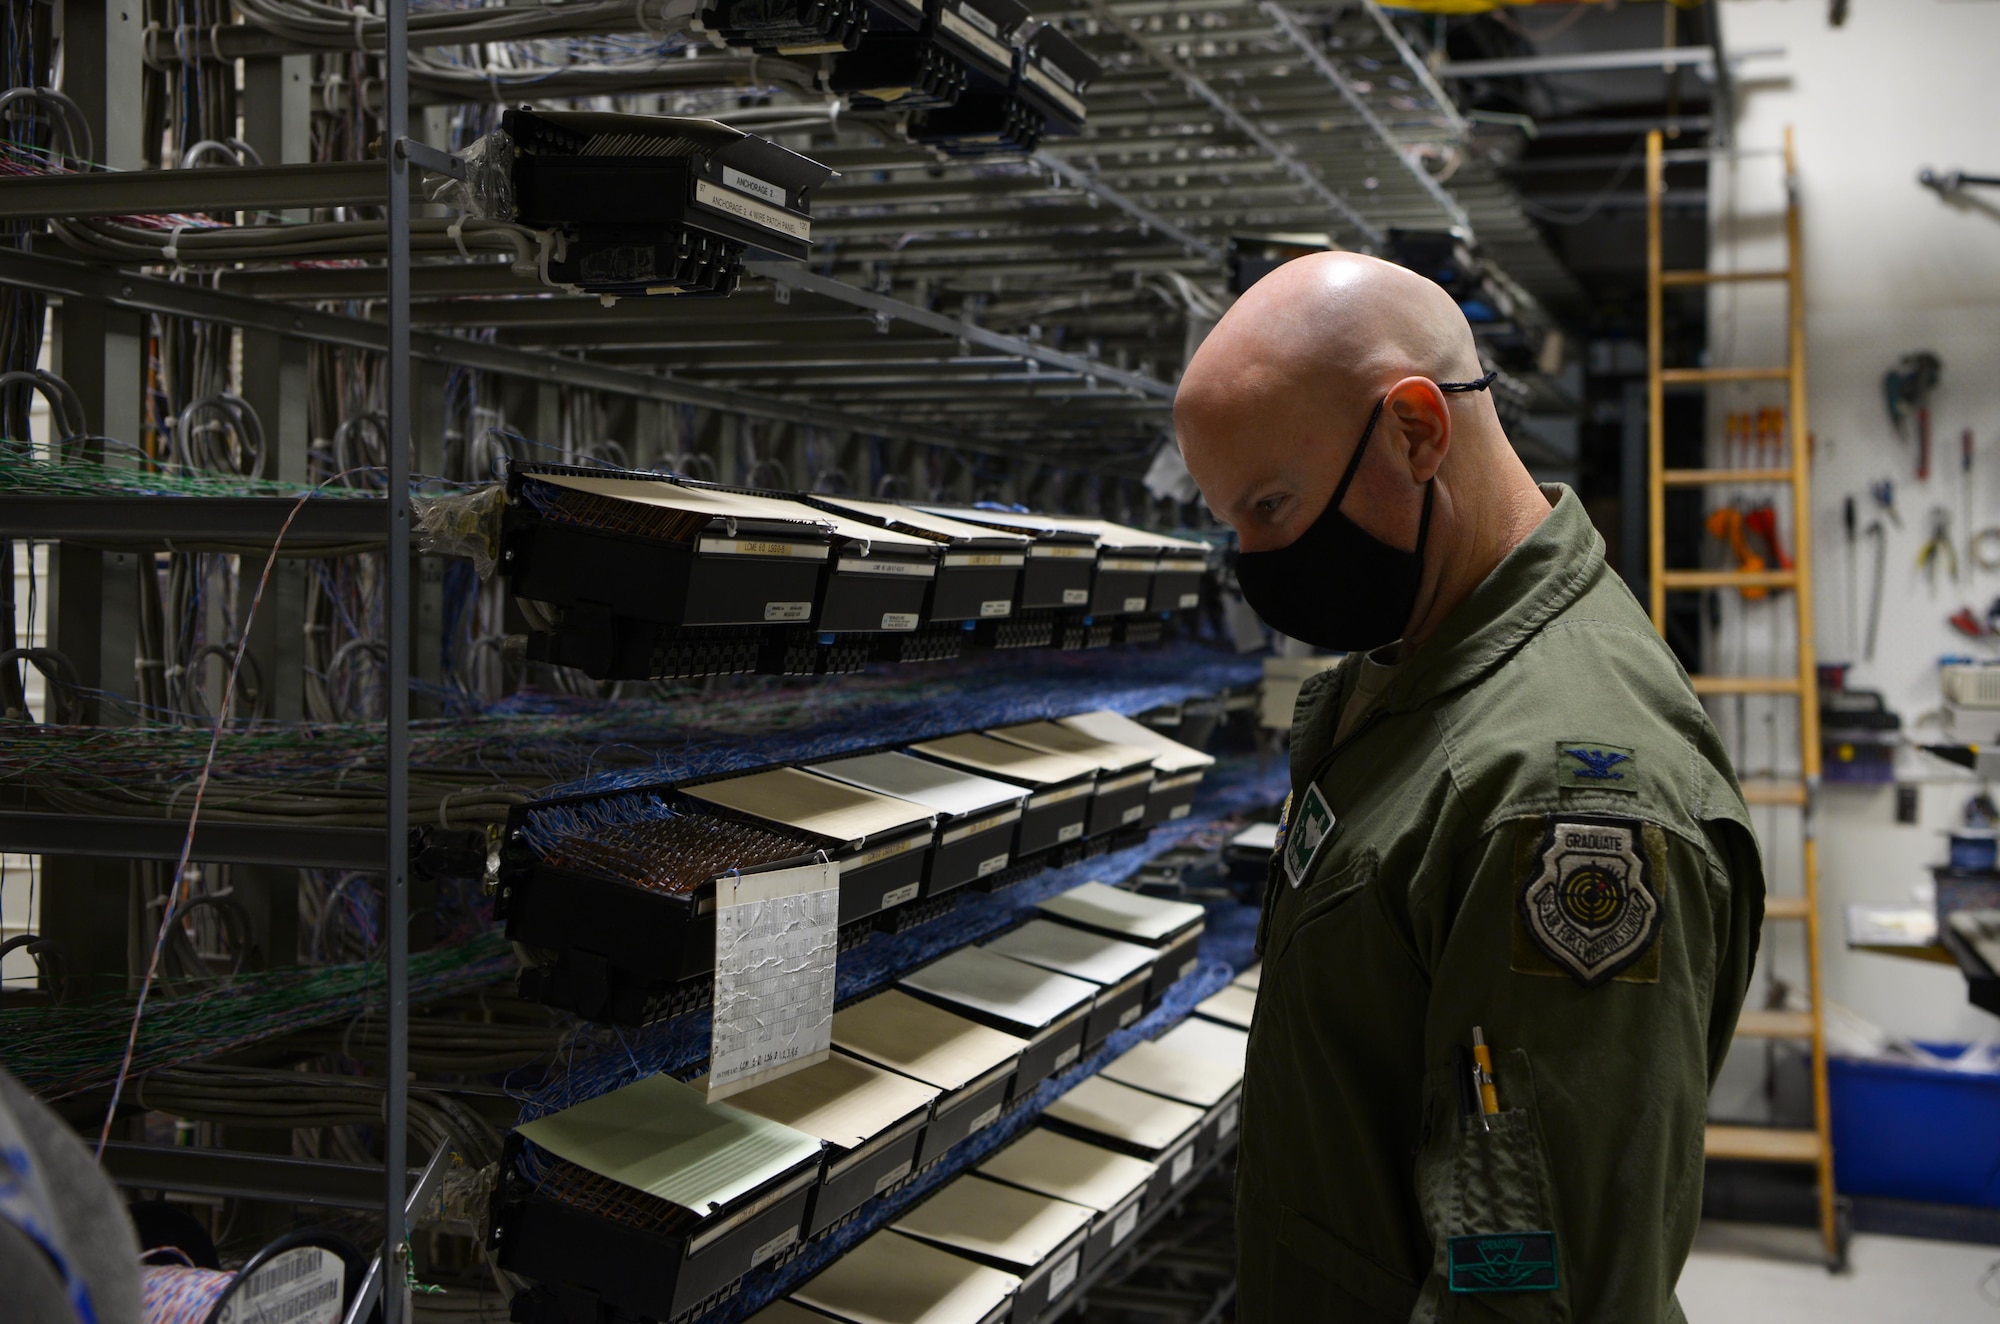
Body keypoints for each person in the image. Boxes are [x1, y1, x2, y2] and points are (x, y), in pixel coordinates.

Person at [1176, 251, 1764, 1322]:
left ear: (1414, 431)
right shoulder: (1409, 665)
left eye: (1270, 503)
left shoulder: (1561, 794)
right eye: (1231, 521)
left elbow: (1539, 1277)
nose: (1254, 559)